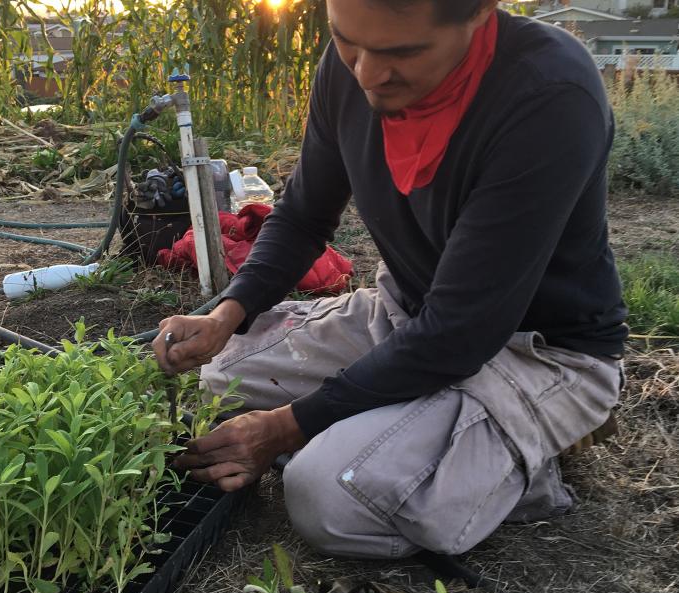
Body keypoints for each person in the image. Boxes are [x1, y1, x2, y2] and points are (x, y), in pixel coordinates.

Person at [153, 0, 628, 558]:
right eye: (346, 40)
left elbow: (460, 332)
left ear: (479, 15)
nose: (367, 74)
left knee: (325, 495)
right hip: (409, 314)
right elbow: (304, 215)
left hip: (534, 351)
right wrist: (226, 315)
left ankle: (517, 466)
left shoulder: (548, 96)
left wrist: (285, 428)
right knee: (213, 380)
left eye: (402, 52)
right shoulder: (351, 64)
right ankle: (412, 431)